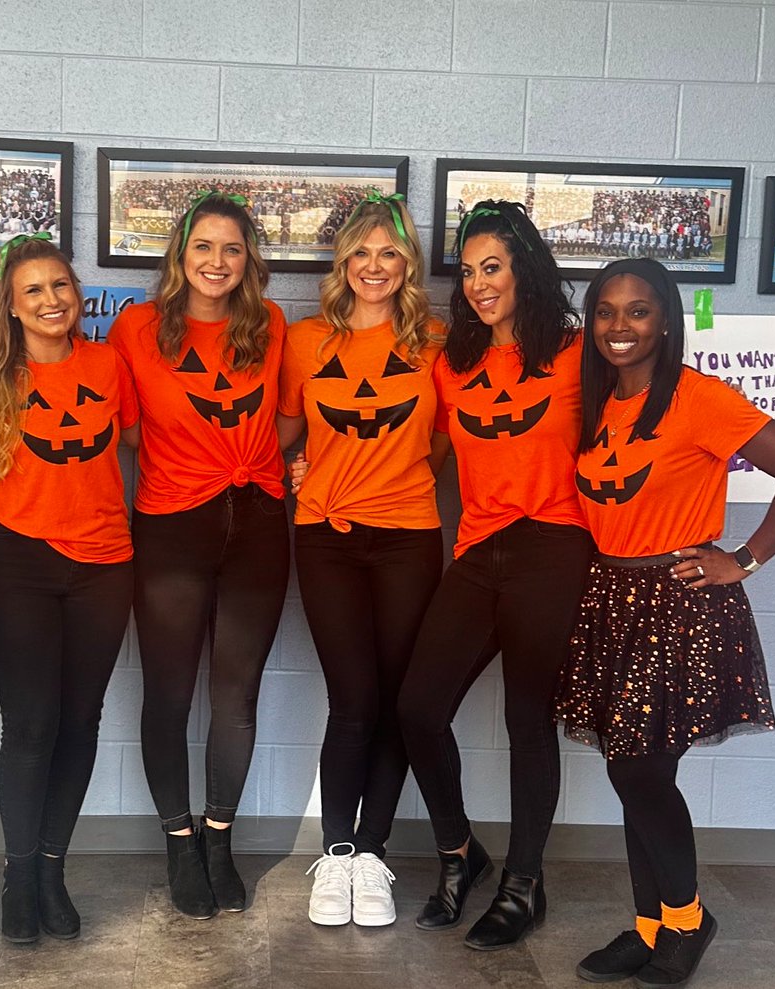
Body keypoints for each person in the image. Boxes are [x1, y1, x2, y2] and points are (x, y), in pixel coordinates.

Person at [557, 258, 775, 987]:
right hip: (611, 597)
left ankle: (686, 916)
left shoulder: (698, 397)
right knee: (634, 772)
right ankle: (651, 927)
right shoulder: (595, 403)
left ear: (667, 319)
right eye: (606, 311)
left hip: (675, 602)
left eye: (638, 310)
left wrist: (743, 557)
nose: (620, 326)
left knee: (639, 769)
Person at [395, 201, 595, 948]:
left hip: (555, 547)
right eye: (470, 270)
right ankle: (460, 853)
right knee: (417, 707)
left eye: (494, 267)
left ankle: (524, 881)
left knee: (526, 718)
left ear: (526, 270)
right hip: (478, 550)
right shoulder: (453, 362)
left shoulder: (578, 354)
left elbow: (637, 439)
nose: (479, 284)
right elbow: (424, 449)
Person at [106, 191, 290, 919]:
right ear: (180, 256)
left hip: (257, 523)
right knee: (170, 693)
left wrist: (263, 467)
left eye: (232, 249)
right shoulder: (137, 328)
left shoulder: (270, 325)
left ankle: (220, 834)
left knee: (236, 694)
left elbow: (286, 418)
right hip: (170, 524)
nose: (217, 262)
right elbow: (123, 430)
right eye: (203, 247)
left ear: (250, 261)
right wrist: (189, 466)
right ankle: (178, 839)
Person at [0, 234, 139, 943]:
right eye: (33, 290)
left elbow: (147, 443)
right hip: (16, 562)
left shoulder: (108, 364)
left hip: (104, 563)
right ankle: (18, 873)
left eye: (60, 285)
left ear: (78, 292)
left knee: (80, 721)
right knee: (30, 725)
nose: (51, 300)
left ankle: (54, 868)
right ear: (11, 303)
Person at [277, 193, 445, 927]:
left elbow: (444, 440)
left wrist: (399, 473)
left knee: (397, 702)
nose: (374, 267)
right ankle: (337, 852)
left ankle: (373, 855)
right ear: (343, 262)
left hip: (409, 533)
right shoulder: (307, 339)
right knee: (352, 700)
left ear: (406, 263)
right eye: (362, 253)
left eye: (389, 253)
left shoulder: (435, 341)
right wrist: (295, 469)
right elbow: (285, 429)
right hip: (327, 535)